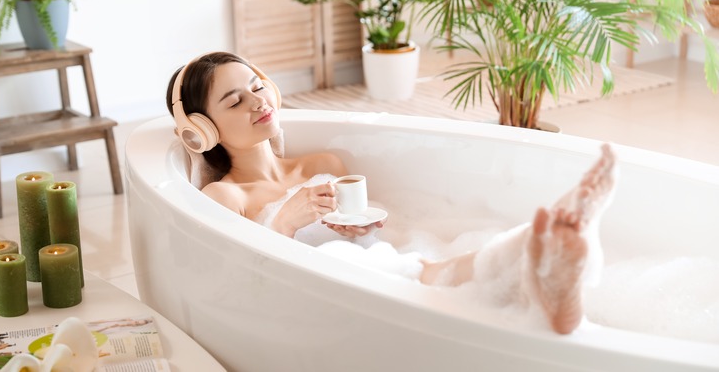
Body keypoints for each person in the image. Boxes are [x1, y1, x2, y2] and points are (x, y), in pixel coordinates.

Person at [165, 51, 617, 335]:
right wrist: (283, 221)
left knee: (426, 268)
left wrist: (366, 227)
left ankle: (545, 266)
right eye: (234, 101)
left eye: (258, 87)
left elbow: (384, 240)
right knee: (426, 273)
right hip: (330, 303)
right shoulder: (228, 198)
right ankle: (543, 253)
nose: (258, 102)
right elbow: (239, 287)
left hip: (384, 268)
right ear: (203, 131)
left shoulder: (324, 166)